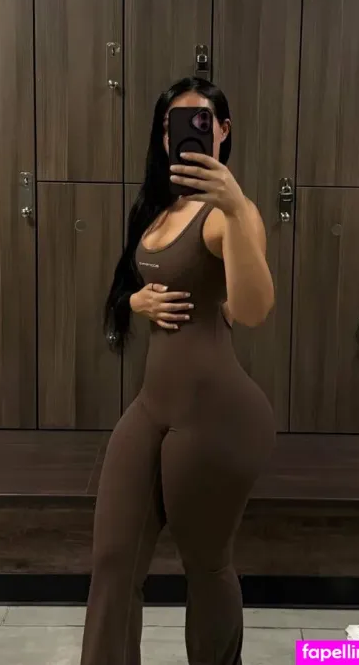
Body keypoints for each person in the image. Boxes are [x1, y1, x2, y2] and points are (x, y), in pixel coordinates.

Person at [80, 77, 275, 665]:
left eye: (199, 121)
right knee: (113, 560)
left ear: (222, 130)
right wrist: (135, 303)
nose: (183, 133)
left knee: (206, 566)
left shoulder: (231, 215)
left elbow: (253, 309)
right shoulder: (156, 208)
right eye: (171, 124)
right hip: (152, 408)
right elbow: (127, 288)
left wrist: (234, 205)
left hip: (216, 416)